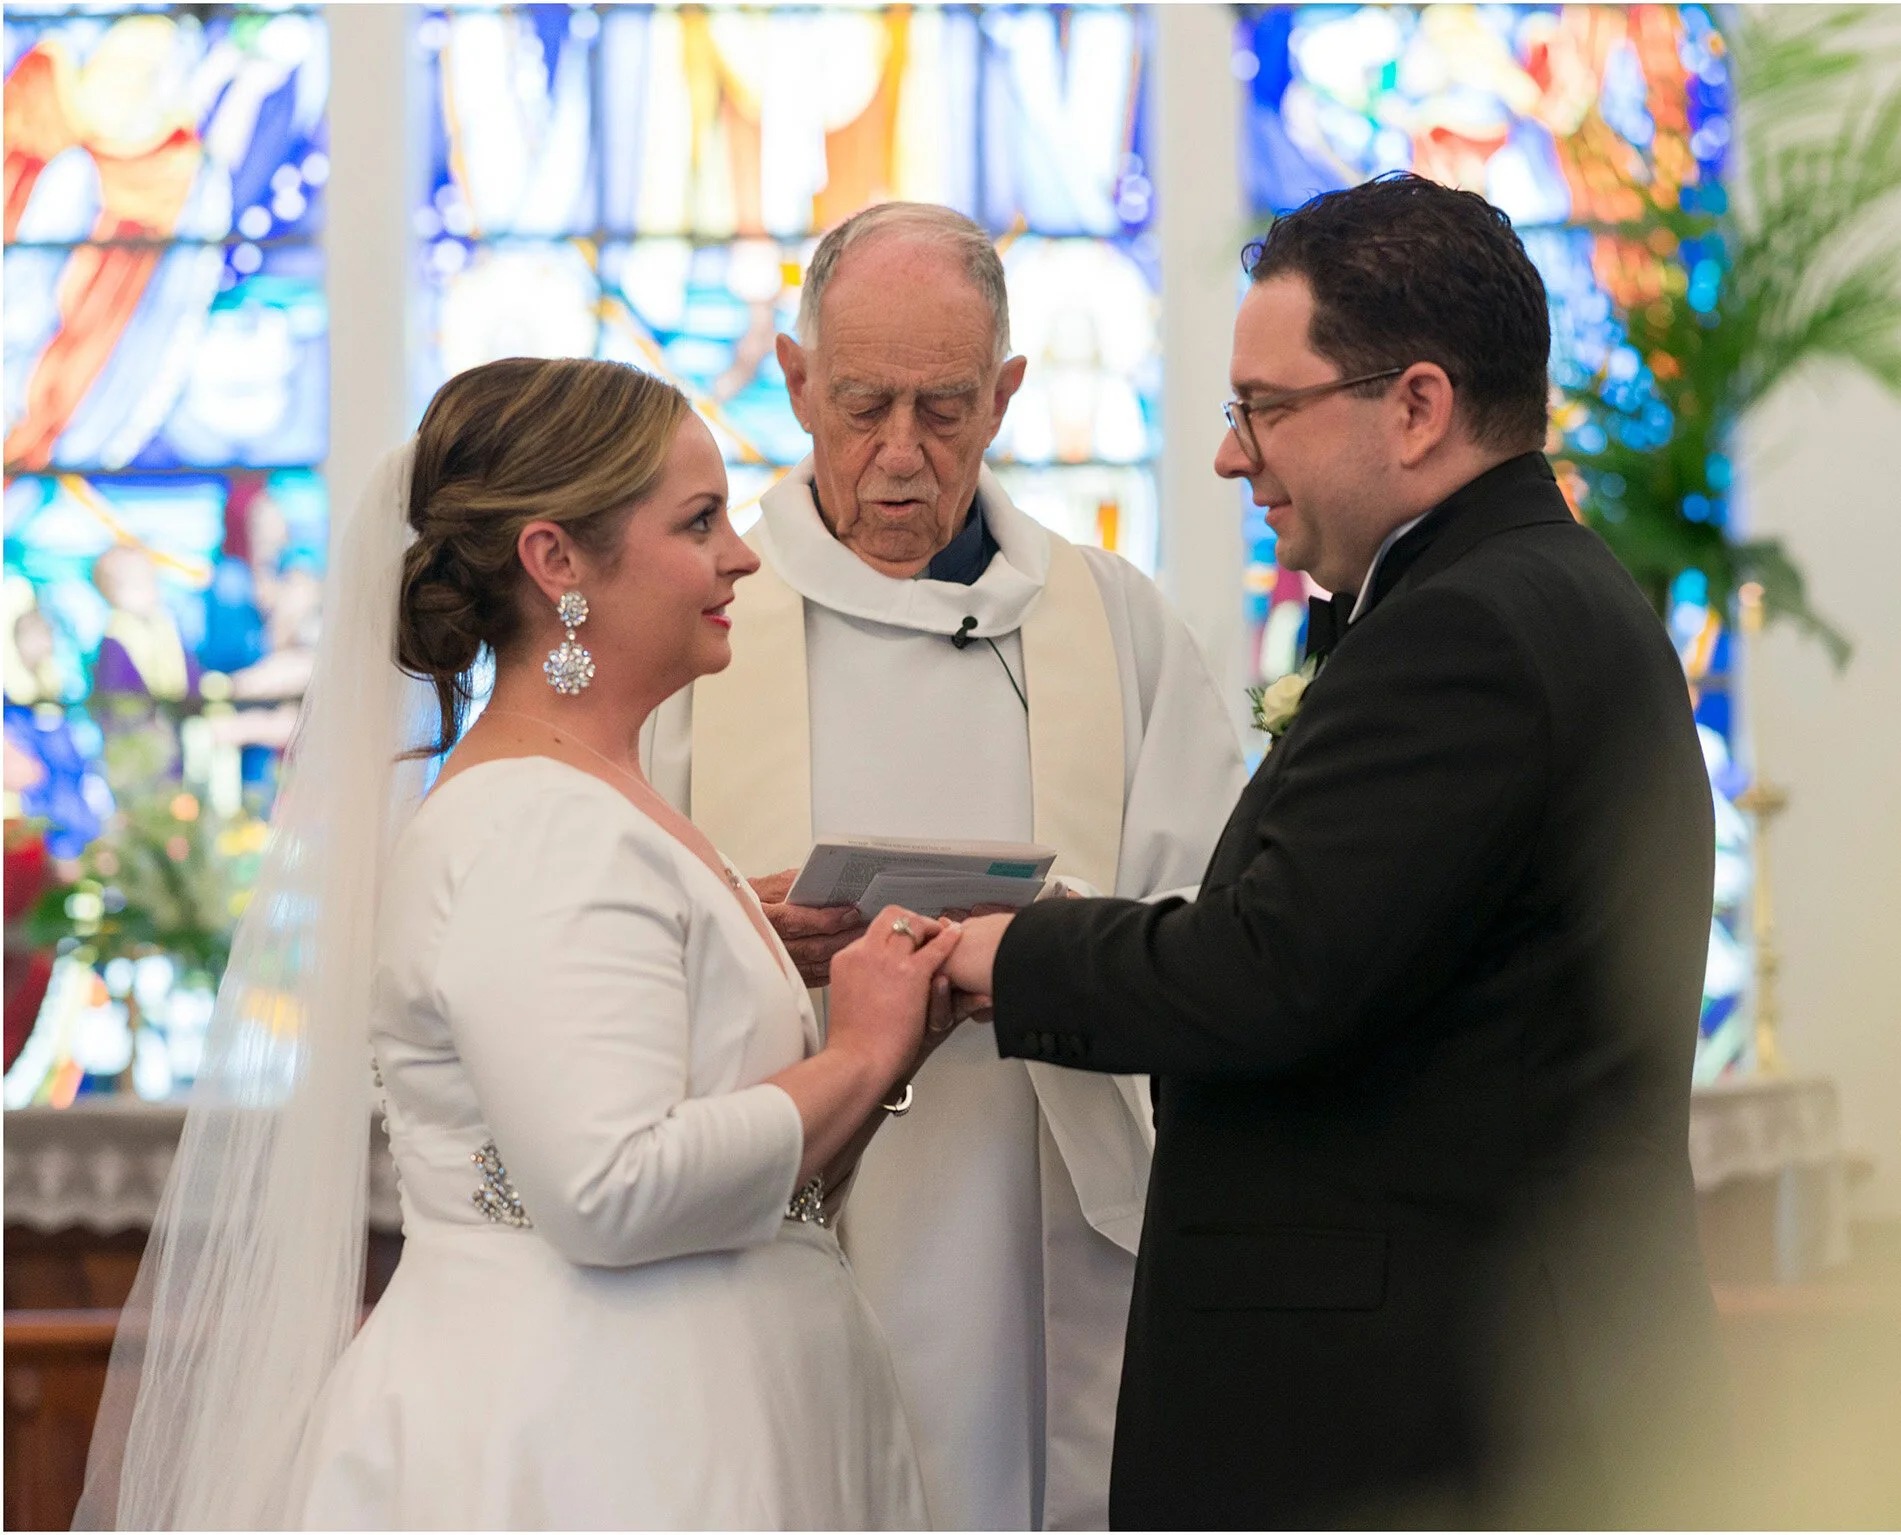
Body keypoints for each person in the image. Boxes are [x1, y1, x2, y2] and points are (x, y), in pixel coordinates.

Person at [944, 174, 1729, 1528]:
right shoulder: (1546, 593)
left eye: (1264, 406)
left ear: (1416, 406)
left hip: (1410, 1414)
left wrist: (1007, 951)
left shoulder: (1468, 632)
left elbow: (1272, 966)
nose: (1230, 456)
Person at [78, 357, 955, 1529]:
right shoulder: (538, 821)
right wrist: (858, 1050)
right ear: (556, 562)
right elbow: (608, 1186)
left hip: (668, 1404)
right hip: (593, 1444)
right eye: (698, 521)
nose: (741, 555)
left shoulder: (586, 799)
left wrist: (828, 990)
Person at [641, 201, 1245, 1531]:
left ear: (1009, 396)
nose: (902, 457)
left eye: (945, 407)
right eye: (862, 406)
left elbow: (1223, 928)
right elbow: (597, 890)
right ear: (797, 385)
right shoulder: (693, 612)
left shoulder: (1115, 624)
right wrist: (740, 929)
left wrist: (1059, 947)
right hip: (791, 1199)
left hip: (1046, 1211)